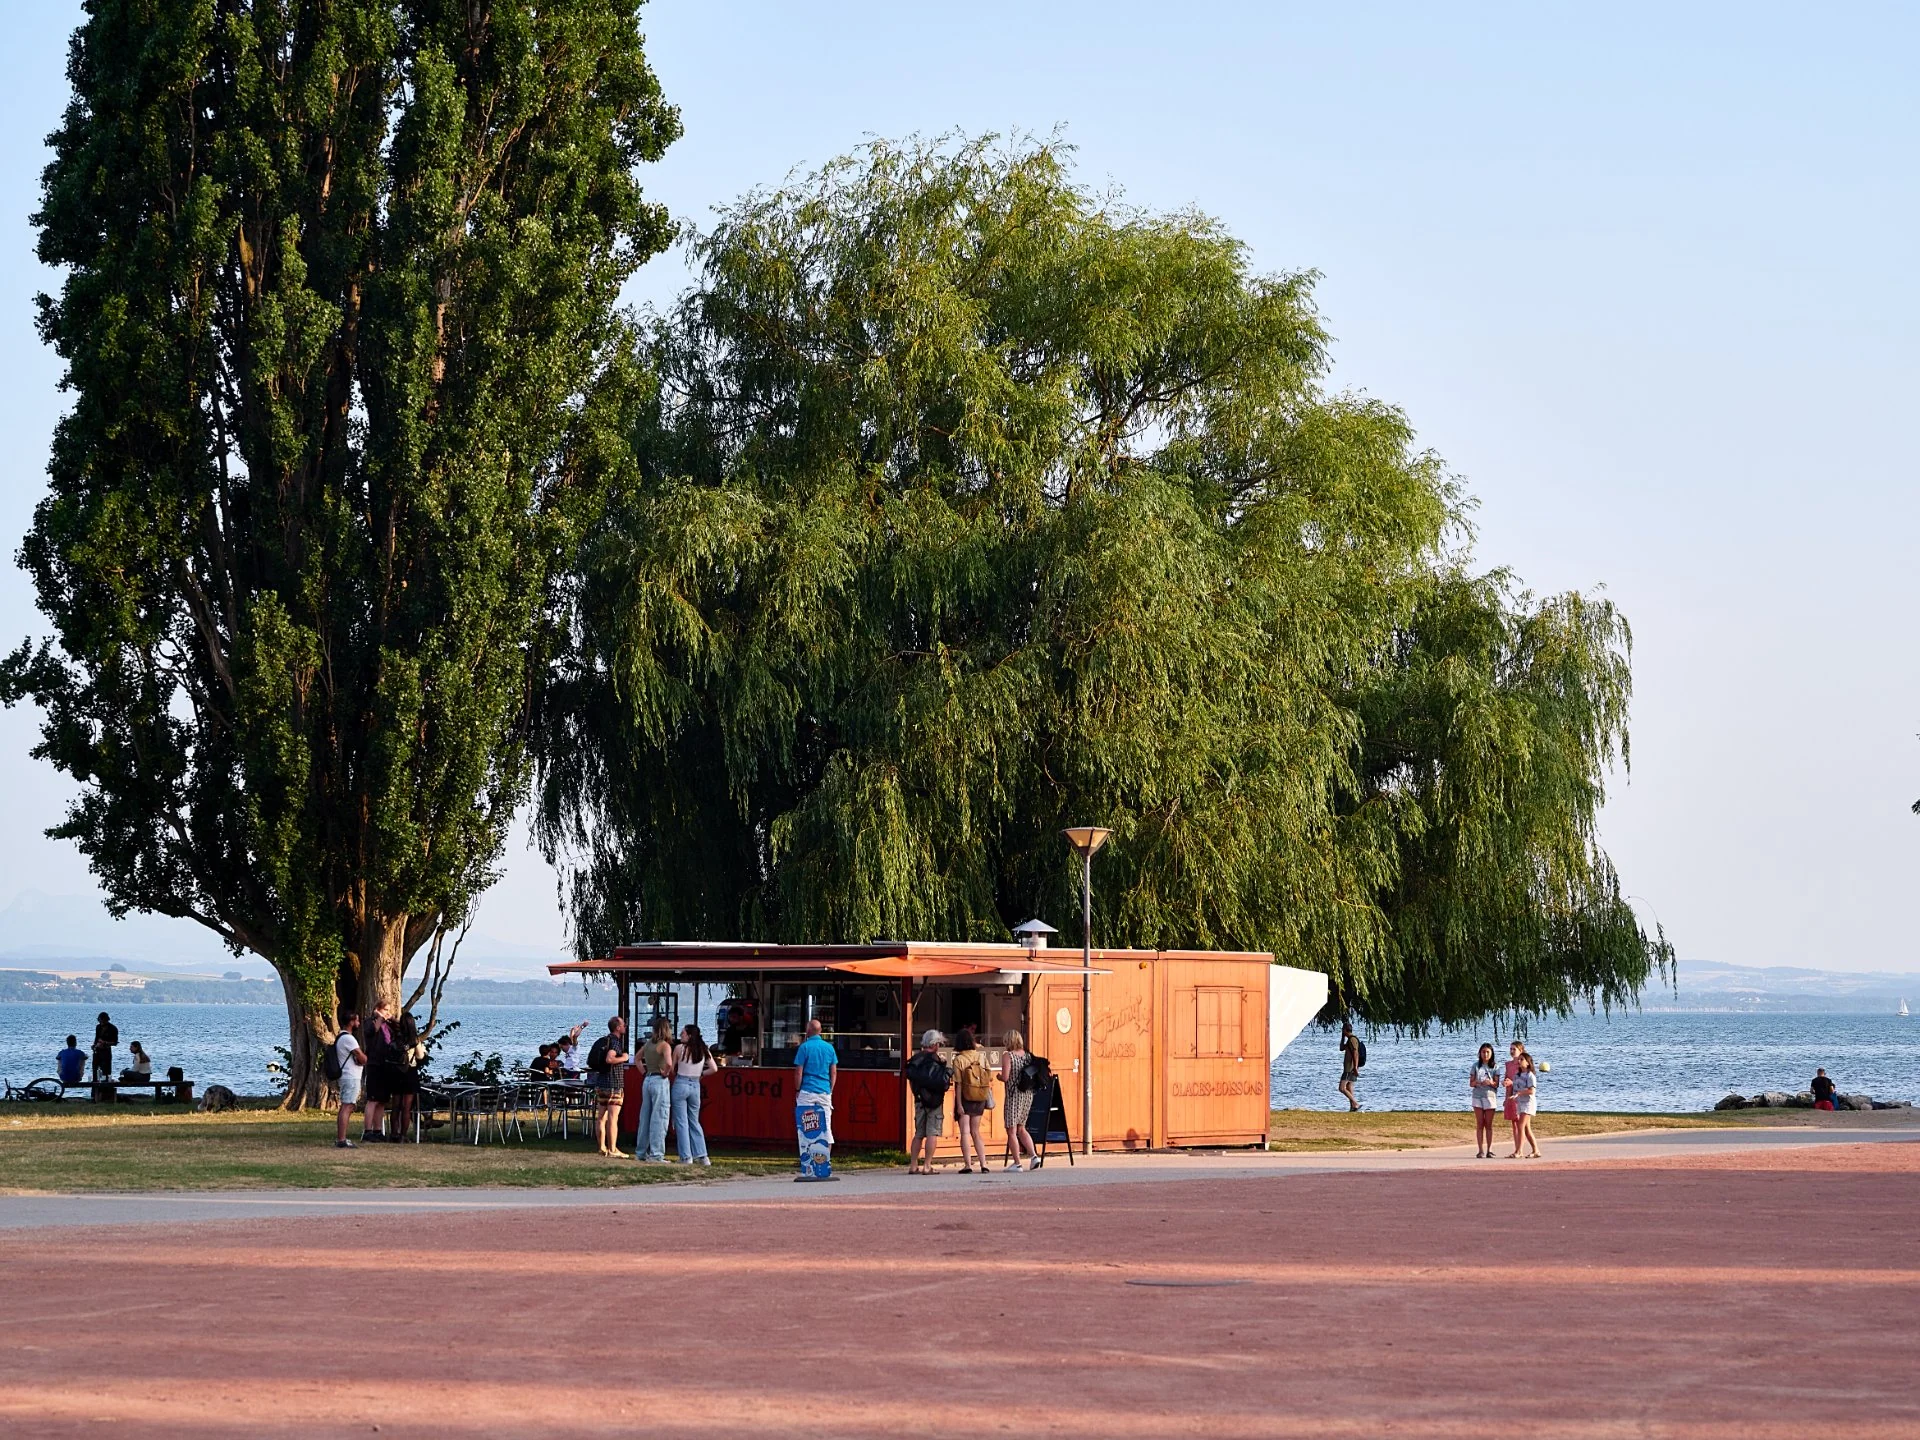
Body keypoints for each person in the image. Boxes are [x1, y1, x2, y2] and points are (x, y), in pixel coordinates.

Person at [792, 1017, 838, 1169]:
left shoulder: (804, 1048)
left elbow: (798, 1072)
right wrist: (830, 1090)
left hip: (807, 1091)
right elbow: (833, 1072)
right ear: (821, 1031)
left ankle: (809, 1161)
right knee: (826, 1126)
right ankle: (824, 1161)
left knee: (807, 1127)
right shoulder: (829, 1048)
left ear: (808, 1031)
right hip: (824, 1091)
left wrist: (797, 1089)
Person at [905, 1029, 951, 1174]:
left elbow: (911, 1078)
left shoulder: (915, 1060)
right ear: (935, 1044)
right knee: (932, 1132)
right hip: (935, 1101)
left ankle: (913, 1165)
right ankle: (927, 1165)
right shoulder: (938, 1061)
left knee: (919, 1133)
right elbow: (944, 1084)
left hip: (919, 1100)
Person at [949, 1026, 993, 1175]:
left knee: (965, 1133)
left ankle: (968, 1164)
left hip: (965, 1098)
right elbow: (989, 1077)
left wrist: (959, 1105)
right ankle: (984, 1164)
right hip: (980, 1097)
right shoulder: (981, 1057)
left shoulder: (959, 1060)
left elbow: (958, 1083)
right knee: (976, 1132)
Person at [671, 1024, 717, 1165]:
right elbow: (714, 1068)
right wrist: (700, 1074)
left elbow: (672, 1068)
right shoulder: (703, 1050)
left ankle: (686, 1156)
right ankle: (702, 1155)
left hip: (681, 1082)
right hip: (695, 1084)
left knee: (681, 1122)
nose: (680, 1035)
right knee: (694, 1121)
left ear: (689, 1035)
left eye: (683, 1033)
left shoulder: (679, 1049)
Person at [633, 1020, 676, 1162]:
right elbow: (669, 1063)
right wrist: (666, 1072)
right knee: (660, 1117)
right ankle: (656, 1154)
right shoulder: (665, 1046)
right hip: (659, 1080)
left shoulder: (648, 1044)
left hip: (648, 1079)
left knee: (645, 1117)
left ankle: (641, 1152)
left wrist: (644, 1072)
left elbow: (637, 1059)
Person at [999, 1029, 1038, 1172]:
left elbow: (1005, 1077)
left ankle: (1017, 1163)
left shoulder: (1008, 1056)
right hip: (1027, 1095)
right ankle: (1034, 1156)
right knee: (1022, 1128)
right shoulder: (1027, 1056)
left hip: (1013, 1095)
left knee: (1011, 1130)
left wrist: (998, 1077)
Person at [590, 1015, 629, 1157]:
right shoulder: (615, 1042)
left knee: (601, 1117)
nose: (625, 1026)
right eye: (623, 1024)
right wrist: (624, 1058)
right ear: (618, 1028)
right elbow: (610, 1058)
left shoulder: (604, 1040)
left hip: (601, 1082)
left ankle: (602, 1147)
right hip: (614, 1083)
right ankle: (612, 1149)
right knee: (613, 1117)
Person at [361, 1002, 397, 1141]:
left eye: (389, 1010)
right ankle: (368, 1131)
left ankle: (378, 1130)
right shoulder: (370, 1022)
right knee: (373, 1099)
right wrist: (379, 1018)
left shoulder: (388, 1025)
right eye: (385, 1010)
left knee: (382, 1100)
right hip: (374, 1064)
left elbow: (398, 1028)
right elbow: (371, 1032)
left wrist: (391, 1018)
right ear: (378, 1009)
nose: (387, 1012)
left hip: (386, 1064)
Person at [334, 1012, 368, 1149]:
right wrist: (364, 1059)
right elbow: (362, 1057)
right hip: (350, 1076)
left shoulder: (340, 1037)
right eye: (357, 1020)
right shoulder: (349, 1039)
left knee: (347, 1106)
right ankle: (342, 1139)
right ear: (351, 1022)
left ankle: (341, 1138)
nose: (359, 1023)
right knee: (347, 1106)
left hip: (347, 1076)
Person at [388, 1011, 423, 1142]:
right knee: (406, 1107)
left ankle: (393, 1134)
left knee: (396, 1105)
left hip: (396, 1072)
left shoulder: (396, 1037)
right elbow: (420, 1056)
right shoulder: (414, 1040)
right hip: (409, 1072)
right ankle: (403, 1135)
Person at [1469, 1043, 1502, 1158]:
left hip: (1490, 1097)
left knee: (1488, 1124)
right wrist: (1478, 1082)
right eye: (1483, 1052)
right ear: (1480, 1053)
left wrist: (1491, 1082)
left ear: (1491, 1053)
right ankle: (1480, 1150)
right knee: (1479, 1123)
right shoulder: (1475, 1066)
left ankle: (1490, 1149)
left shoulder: (1495, 1067)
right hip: (1477, 1096)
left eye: (1488, 1052)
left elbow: (1497, 1084)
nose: (1485, 1054)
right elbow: (1471, 1083)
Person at [1508, 1052, 1541, 1158]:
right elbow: (1515, 1089)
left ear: (1528, 1063)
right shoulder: (1516, 1075)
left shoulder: (1530, 1076)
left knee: (1520, 1125)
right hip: (1520, 1103)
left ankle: (1519, 1151)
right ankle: (1536, 1150)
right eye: (1519, 1059)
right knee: (1526, 1128)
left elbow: (1531, 1091)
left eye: (1522, 1059)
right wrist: (1512, 1095)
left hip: (1528, 1103)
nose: (1519, 1061)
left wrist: (1519, 1093)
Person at [1337, 1022, 1361, 1111]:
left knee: (1342, 1088)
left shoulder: (1352, 1040)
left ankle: (1355, 1103)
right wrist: (1343, 1037)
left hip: (1349, 1068)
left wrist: (1355, 1067)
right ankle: (1353, 1107)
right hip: (1351, 1067)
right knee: (1349, 1087)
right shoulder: (1350, 1039)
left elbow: (1355, 1053)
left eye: (1342, 1030)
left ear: (1344, 1030)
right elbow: (1341, 1048)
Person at [91, 1012, 118, 1084]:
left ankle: (105, 1090)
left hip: (106, 1052)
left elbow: (115, 1042)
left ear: (106, 1020)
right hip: (97, 1051)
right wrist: (94, 1046)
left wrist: (105, 1043)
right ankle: (95, 1091)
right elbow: (96, 1039)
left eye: (101, 1020)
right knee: (95, 1071)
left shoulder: (113, 1028)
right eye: (99, 1020)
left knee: (106, 1072)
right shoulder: (98, 1027)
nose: (100, 1022)